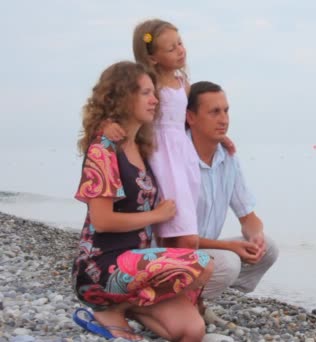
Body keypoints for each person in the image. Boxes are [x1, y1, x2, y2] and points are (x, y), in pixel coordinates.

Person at [72, 61, 214, 342]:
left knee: (193, 331)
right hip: (100, 269)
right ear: (124, 97)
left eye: (155, 93)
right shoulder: (104, 149)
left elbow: (179, 135)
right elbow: (102, 220)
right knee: (203, 263)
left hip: (135, 269)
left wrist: (223, 142)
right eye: (146, 93)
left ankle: (127, 308)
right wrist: (156, 215)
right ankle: (107, 308)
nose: (154, 100)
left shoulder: (141, 145)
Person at [103, 19, 234, 249]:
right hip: (160, 154)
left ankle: (169, 270)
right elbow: (119, 108)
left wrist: (219, 136)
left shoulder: (183, 84)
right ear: (153, 57)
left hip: (183, 154)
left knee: (181, 222)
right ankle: (175, 270)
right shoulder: (149, 84)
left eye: (180, 43)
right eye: (171, 48)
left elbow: (189, 120)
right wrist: (106, 125)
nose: (180, 50)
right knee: (179, 227)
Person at [185, 81, 279, 305]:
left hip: (205, 251)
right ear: (191, 117)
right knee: (228, 262)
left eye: (226, 111)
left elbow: (248, 217)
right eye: (214, 112)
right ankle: (178, 302)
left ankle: (204, 298)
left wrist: (255, 236)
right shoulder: (178, 158)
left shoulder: (228, 157)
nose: (224, 119)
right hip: (172, 251)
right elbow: (174, 239)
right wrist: (229, 247)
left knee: (268, 248)